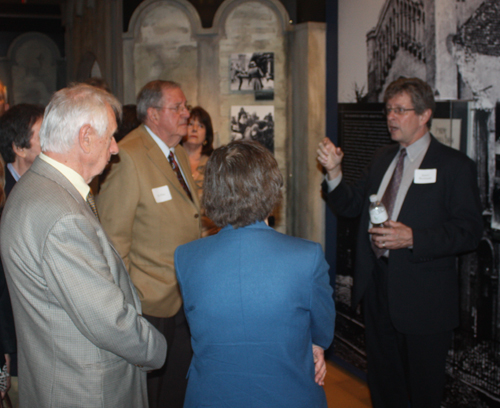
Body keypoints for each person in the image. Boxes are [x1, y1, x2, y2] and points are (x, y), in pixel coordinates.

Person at [317, 77, 483, 408]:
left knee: (423, 389)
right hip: (378, 288)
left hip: (424, 299)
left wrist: (413, 238)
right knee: (383, 382)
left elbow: (469, 231)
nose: (391, 117)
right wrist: (334, 173)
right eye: (388, 110)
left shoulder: (454, 166)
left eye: (400, 110)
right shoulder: (382, 158)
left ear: (424, 115)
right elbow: (351, 205)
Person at [0, 84, 167, 408]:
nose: (116, 148)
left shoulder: (35, 186)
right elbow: (107, 319)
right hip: (86, 389)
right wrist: (158, 350)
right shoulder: (61, 215)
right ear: (86, 136)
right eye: (111, 137)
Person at [175, 140, 336, 408]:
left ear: (213, 191)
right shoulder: (306, 257)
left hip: (212, 396)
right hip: (288, 395)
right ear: (272, 189)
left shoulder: (186, 257)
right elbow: (323, 332)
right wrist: (316, 346)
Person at [97, 80, 201, 408]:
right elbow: (114, 242)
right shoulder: (127, 157)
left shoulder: (178, 153)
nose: (187, 113)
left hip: (183, 296)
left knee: (176, 388)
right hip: (149, 305)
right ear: (153, 115)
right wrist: (131, 306)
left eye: (185, 107)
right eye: (178, 108)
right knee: (150, 396)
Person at [182, 106, 218, 237]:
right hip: (178, 234)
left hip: (210, 235)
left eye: (201, 126)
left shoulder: (215, 165)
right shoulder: (171, 161)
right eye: (190, 124)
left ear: (207, 134)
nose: (194, 129)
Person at [0, 104, 45, 195]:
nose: (51, 143)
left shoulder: (49, 181)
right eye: (43, 137)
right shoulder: (4, 195)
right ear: (19, 149)